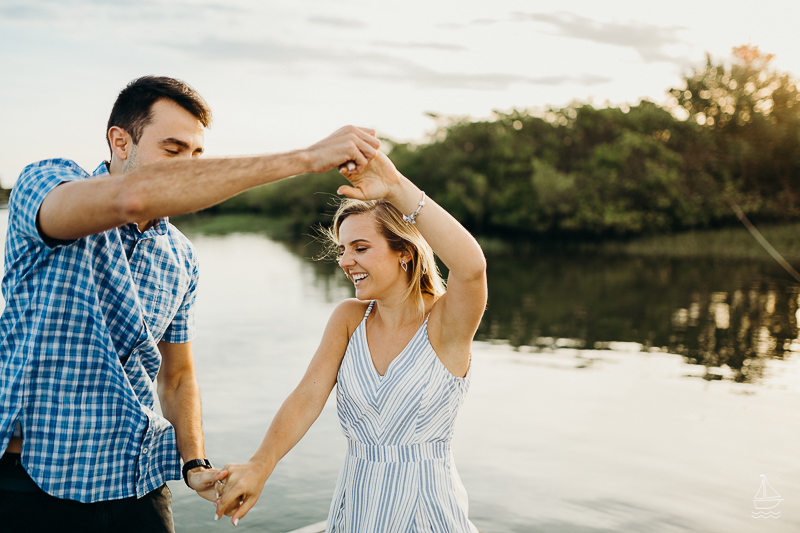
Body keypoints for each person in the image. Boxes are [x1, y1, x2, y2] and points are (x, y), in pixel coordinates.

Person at [0, 75, 380, 533]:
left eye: (197, 155)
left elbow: (177, 377)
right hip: (30, 484)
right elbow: (132, 196)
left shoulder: (180, 257)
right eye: (173, 150)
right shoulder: (45, 185)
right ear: (121, 142)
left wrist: (193, 460)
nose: (188, 168)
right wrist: (305, 159)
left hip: (136, 483)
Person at [214, 151, 488, 531]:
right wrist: (262, 464)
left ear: (404, 253)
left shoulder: (445, 324)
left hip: (427, 510)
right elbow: (307, 397)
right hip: (356, 506)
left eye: (360, 248)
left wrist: (396, 188)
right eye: (343, 249)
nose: (345, 261)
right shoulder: (348, 319)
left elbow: (471, 267)